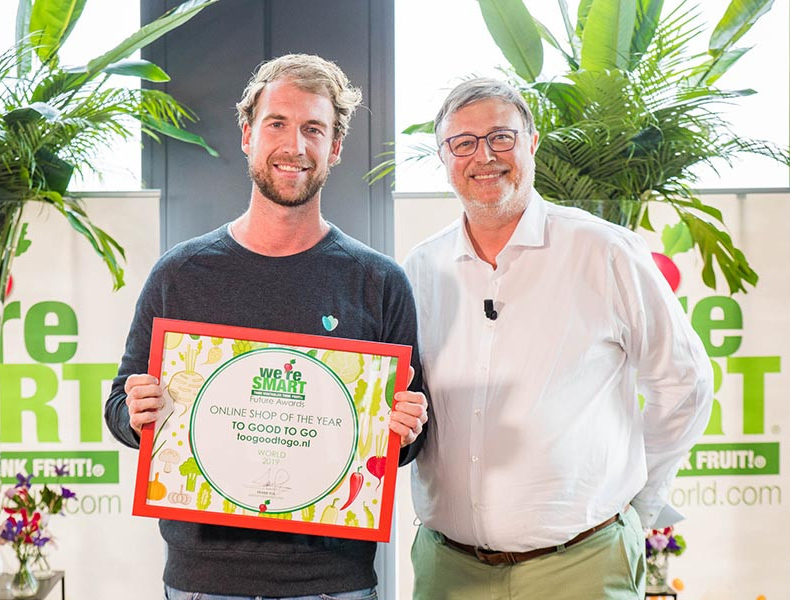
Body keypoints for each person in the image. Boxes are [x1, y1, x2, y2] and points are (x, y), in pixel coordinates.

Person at [104, 54, 428, 600]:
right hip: (203, 583)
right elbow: (120, 406)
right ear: (248, 135)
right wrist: (137, 412)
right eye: (277, 123)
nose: (294, 145)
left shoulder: (379, 282)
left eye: (313, 129)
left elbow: (408, 439)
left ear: (335, 147)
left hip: (332, 583)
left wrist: (407, 428)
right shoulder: (181, 274)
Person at [402, 78, 713, 599]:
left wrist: (638, 505)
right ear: (444, 158)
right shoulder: (419, 268)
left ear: (532, 143)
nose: (484, 156)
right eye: (463, 143)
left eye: (501, 137)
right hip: (449, 571)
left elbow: (685, 384)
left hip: (582, 568)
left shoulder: (604, 251)